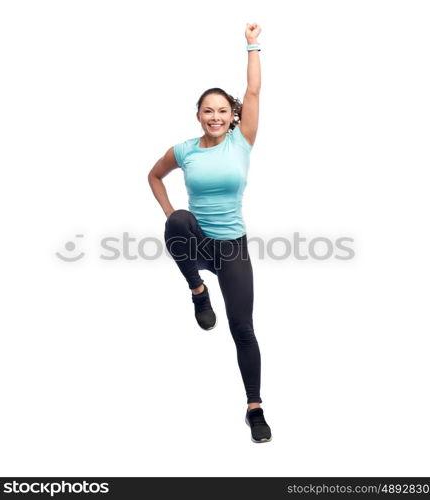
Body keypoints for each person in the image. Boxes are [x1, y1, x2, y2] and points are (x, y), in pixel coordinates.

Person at [148, 23, 271, 443]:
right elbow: (154, 176)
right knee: (178, 219)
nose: (216, 117)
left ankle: (254, 407)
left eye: (222, 111)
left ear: (231, 115)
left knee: (243, 328)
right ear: (198, 114)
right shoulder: (183, 150)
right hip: (197, 241)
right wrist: (168, 213)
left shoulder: (242, 141)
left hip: (232, 249)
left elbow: (252, 93)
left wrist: (252, 44)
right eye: (208, 111)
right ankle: (197, 290)